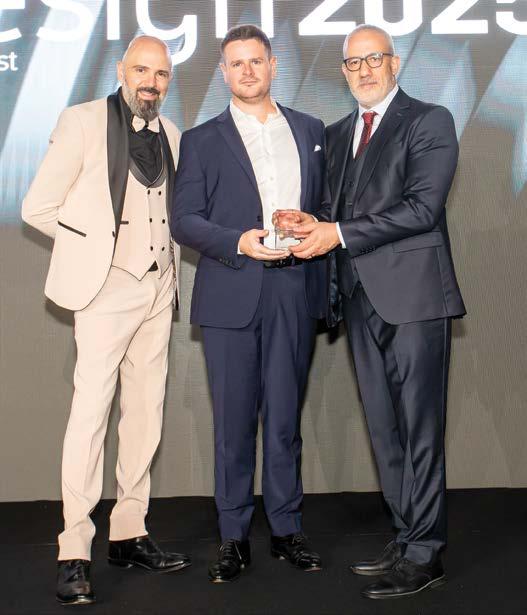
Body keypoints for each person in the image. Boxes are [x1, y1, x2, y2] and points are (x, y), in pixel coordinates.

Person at [286, 24, 466, 599]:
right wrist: (309, 224)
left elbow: (421, 209)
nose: (363, 70)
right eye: (353, 62)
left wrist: (336, 232)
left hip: (414, 298)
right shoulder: (338, 134)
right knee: (386, 431)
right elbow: (334, 213)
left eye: (374, 59)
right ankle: (407, 537)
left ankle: (426, 552)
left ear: (394, 63)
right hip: (359, 299)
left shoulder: (429, 121)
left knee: (420, 429)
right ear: (343, 71)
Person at [22, 36, 191, 606]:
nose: (150, 81)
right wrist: (96, 252)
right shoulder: (82, 121)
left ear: (169, 80)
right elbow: (37, 207)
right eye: (141, 70)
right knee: (90, 416)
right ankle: (74, 548)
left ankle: (129, 532)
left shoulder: (172, 133)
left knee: (145, 413)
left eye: (160, 73)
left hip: (159, 288)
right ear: (121, 70)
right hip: (105, 289)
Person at [171, 24, 327, 583]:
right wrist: (238, 240)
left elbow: (328, 206)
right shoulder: (201, 140)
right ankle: (233, 537)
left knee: (284, 420)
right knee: (234, 425)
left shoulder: (310, 130)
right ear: (223, 72)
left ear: (273, 65)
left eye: (255, 61)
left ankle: (286, 529)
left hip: (293, 289)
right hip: (231, 292)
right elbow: (184, 220)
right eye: (236, 63)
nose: (247, 71)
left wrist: (312, 222)